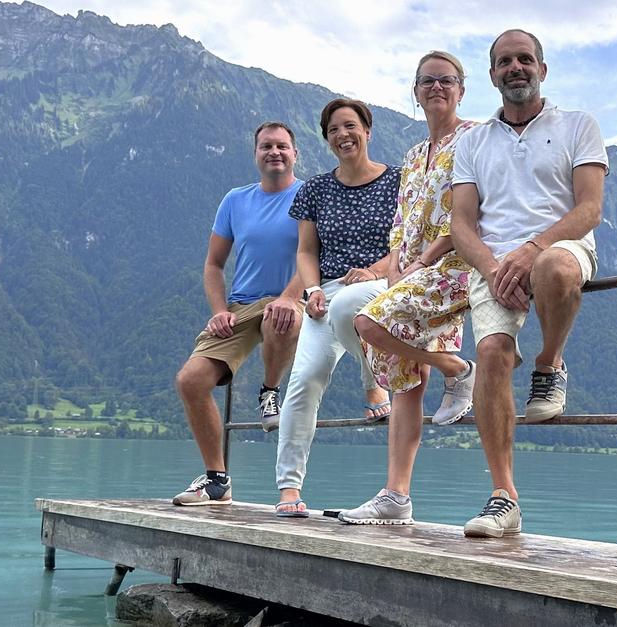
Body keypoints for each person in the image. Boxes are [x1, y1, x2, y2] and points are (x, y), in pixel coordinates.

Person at [450, 29, 608, 537]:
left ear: (542, 69)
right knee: (493, 353)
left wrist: (533, 248)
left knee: (554, 269)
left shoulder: (578, 125)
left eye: (524, 59)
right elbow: (460, 226)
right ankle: (504, 499)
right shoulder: (471, 142)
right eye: (504, 62)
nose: (515, 67)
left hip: (560, 245)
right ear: (492, 75)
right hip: (492, 262)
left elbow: (589, 209)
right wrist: (496, 269)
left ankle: (549, 362)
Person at [338, 51, 479, 525]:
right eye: (427, 82)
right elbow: (402, 222)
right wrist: (397, 266)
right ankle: (395, 497)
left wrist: (421, 262)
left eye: (446, 80)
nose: (436, 88)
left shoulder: (475, 139)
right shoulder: (415, 155)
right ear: (416, 93)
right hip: (414, 272)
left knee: (367, 321)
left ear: (462, 89)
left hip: (455, 266)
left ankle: (455, 367)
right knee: (403, 381)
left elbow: (470, 214)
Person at [273, 99, 399, 517]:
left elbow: (406, 246)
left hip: (381, 285)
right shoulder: (315, 190)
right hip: (325, 292)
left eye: (351, 126)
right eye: (333, 130)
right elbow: (307, 251)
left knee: (350, 303)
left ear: (368, 129)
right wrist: (310, 291)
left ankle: (373, 383)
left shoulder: (399, 181)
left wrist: (374, 271)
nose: (343, 135)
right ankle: (289, 489)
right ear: (326, 139)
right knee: (304, 378)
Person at [170, 122, 306, 506]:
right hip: (241, 305)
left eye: (282, 146)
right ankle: (217, 480)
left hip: (291, 297)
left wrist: (289, 296)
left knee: (283, 316)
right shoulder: (235, 200)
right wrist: (218, 311)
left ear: (295, 154)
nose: (274, 152)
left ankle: (269, 390)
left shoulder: (309, 195)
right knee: (190, 381)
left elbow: (313, 255)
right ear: (256, 154)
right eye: (266, 147)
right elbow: (213, 265)